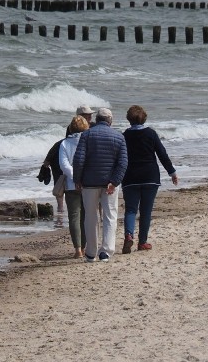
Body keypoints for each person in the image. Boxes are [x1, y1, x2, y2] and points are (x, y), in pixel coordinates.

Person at [72, 107, 127, 263]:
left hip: (89, 183)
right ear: (110, 120)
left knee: (90, 217)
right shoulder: (119, 137)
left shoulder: (86, 135)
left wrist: (78, 179)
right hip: (109, 184)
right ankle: (106, 252)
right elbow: (123, 163)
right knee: (110, 216)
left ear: (97, 119)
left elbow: (79, 159)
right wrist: (114, 181)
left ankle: (90, 253)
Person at [121, 105, 178, 254]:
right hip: (150, 176)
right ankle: (142, 242)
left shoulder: (125, 135)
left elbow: (120, 158)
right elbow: (162, 154)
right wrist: (171, 172)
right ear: (144, 117)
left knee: (131, 209)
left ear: (129, 119)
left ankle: (128, 235)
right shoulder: (151, 134)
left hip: (130, 177)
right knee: (146, 211)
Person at [59, 115, 90, 258]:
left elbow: (64, 166)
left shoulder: (65, 144)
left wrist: (75, 178)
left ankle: (77, 248)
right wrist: (83, 178)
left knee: (74, 216)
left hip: (71, 185)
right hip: (88, 183)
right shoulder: (89, 141)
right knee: (86, 216)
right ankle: (84, 247)